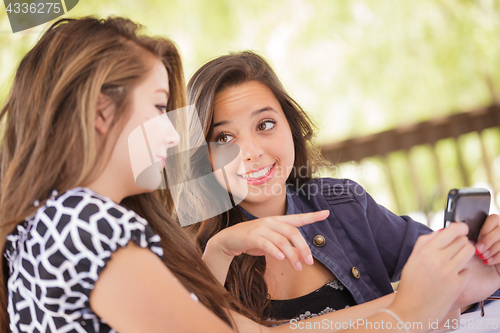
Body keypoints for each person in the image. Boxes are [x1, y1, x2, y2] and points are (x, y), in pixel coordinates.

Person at [0, 17, 492, 333]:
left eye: (265, 124)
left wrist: (429, 295)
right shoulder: (84, 224)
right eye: (157, 109)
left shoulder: (51, 223)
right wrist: (405, 314)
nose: (174, 138)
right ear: (101, 114)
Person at [185, 51, 500, 324]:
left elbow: (464, 285)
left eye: (265, 125)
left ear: (291, 128)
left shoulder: (341, 204)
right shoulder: (189, 250)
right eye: (224, 138)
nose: (251, 151)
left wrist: (487, 255)